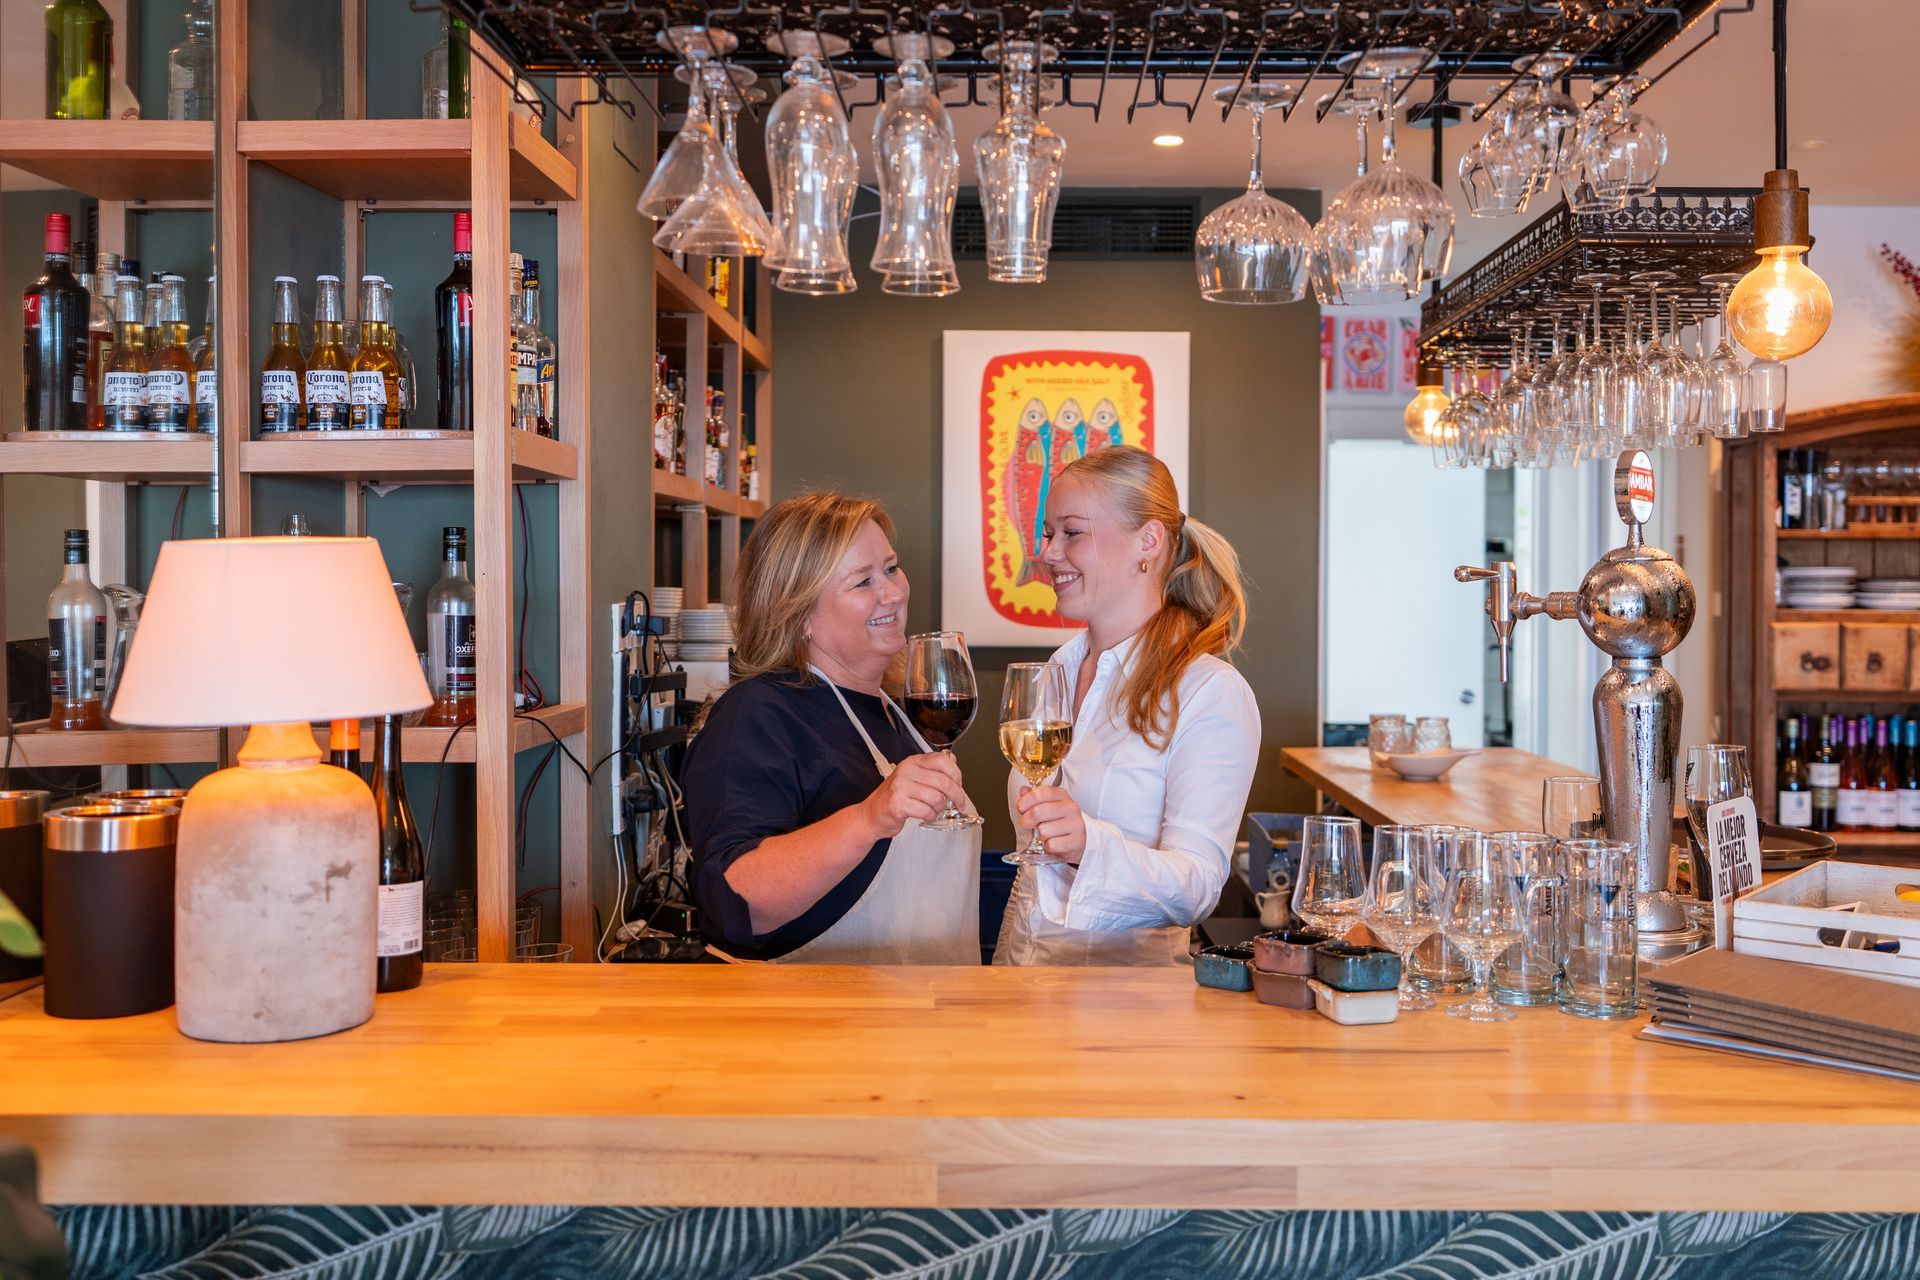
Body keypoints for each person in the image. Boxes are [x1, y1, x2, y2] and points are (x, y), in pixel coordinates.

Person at [684, 492, 980, 963]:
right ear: (800, 615)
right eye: (863, 581)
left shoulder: (896, 707)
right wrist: (869, 818)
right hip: (814, 1024)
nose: (894, 592)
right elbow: (735, 901)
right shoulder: (758, 714)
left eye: (891, 567)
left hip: (923, 1018)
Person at [997, 445, 1261, 965]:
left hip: (1121, 1015)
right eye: (1049, 533)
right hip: (1017, 983)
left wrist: (1085, 846)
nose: (1049, 553)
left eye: (1072, 532)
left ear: (1148, 540)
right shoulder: (1059, 669)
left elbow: (1199, 886)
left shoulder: (1210, 693)